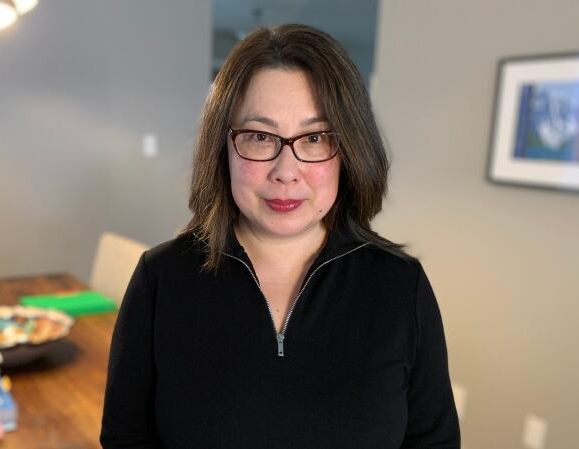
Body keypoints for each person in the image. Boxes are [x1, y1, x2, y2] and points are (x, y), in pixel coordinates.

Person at [100, 24, 460, 449]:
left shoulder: (402, 287)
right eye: (258, 136)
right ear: (223, 147)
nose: (286, 171)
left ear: (350, 151)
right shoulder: (160, 279)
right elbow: (126, 437)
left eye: (315, 137)